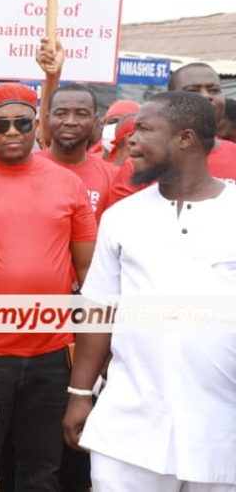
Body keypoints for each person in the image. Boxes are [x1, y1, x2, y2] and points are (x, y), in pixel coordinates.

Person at [65, 92, 236, 491]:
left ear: (186, 139)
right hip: (130, 423)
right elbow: (98, 309)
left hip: (221, 426)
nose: (130, 140)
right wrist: (79, 393)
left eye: (144, 129)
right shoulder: (121, 217)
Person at [0, 83, 97, 492]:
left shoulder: (68, 185)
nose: (13, 132)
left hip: (51, 355)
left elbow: (91, 275)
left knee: (40, 471)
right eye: (1, 125)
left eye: (23, 123)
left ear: (37, 126)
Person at [110, 63, 236, 203]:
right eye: (193, 91)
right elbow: (121, 220)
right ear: (171, 101)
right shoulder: (142, 162)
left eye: (213, 90)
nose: (206, 96)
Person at [37, 84, 120, 223]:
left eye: (81, 114)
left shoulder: (112, 176)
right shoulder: (25, 168)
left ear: (95, 121)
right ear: (48, 118)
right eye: (61, 114)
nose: (70, 122)